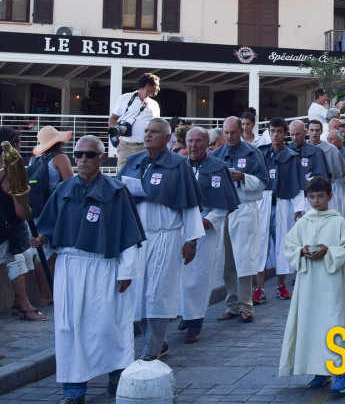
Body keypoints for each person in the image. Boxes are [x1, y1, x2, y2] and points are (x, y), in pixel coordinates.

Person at [31, 135, 145, 403]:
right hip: (69, 268)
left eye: (89, 155)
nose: (82, 159)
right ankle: (73, 390)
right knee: (69, 328)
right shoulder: (63, 189)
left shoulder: (117, 192)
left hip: (104, 267)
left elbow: (128, 236)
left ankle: (117, 374)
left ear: (102, 158)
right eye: (78, 154)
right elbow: (49, 227)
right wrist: (41, 238)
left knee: (108, 325)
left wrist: (127, 271)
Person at [117, 118, 204, 361]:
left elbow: (189, 205)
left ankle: (151, 350)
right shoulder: (133, 162)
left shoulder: (179, 165)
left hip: (166, 237)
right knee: (138, 295)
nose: (147, 135)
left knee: (158, 294)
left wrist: (192, 240)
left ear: (167, 138)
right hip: (137, 240)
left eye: (154, 132)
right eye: (146, 131)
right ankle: (158, 341)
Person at [278, 176, 345, 394]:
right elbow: (289, 245)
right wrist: (301, 251)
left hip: (332, 285)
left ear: (330, 196)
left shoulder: (338, 221)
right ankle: (320, 370)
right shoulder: (303, 222)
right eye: (311, 197)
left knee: (335, 323)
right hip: (310, 284)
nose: (316, 201)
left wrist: (329, 250)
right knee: (312, 323)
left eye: (321, 196)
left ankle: (341, 373)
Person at [178, 127, 240, 344]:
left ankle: (196, 322)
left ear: (207, 144)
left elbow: (223, 205)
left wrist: (205, 221)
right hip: (181, 227)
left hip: (206, 228)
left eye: (198, 141)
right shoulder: (179, 166)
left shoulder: (218, 167)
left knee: (199, 275)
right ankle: (186, 313)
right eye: (190, 141)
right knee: (180, 276)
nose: (194, 145)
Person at [210, 117, 267, 323]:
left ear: (240, 131)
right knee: (226, 260)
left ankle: (246, 305)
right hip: (223, 210)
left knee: (244, 258)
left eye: (233, 132)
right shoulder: (216, 155)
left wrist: (244, 177)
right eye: (226, 133)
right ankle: (231, 304)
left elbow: (263, 181)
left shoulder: (252, 153)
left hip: (243, 208)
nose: (229, 136)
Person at [257, 118, 308, 303]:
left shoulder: (292, 156)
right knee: (260, 245)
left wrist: (298, 208)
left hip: (282, 203)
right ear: (268, 132)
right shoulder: (261, 154)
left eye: (279, 131)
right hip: (263, 204)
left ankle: (280, 285)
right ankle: (259, 288)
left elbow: (298, 183)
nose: (276, 135)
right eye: (272, 131)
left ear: (285, 133)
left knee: (282, 245)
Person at [0, 127, 47, 323]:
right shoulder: (9, 174)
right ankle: (25, 307)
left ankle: (21, 305)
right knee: (17, 261)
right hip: (7, 230)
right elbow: (21, 211)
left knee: (26, 257)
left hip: (7, 230)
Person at [31, 125, 75, 305]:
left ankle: (45, 294)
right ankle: (47, 295)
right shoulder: (60, 158)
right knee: (49, 252)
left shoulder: (34, 160)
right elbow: (71, 184)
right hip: (54, 211)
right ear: (58, 142)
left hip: (37, 212)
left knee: (40, 252)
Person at [109, 72, 161, 171]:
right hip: (126, 147)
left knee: (144, 176)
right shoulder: (125, 98)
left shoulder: (154, 104)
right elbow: (113, 119)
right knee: (123, 175)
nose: (159, 89)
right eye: (157, 86)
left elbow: (157, 126)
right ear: (148, 85)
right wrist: (115, 132)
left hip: (146, 147)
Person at [308, 119, 345, 187]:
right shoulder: (301, 148)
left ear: (321, 131)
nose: (314, 133)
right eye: (312, 130)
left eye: (317, 130)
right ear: (307, 131)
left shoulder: (332, 149)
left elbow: (339, 172)